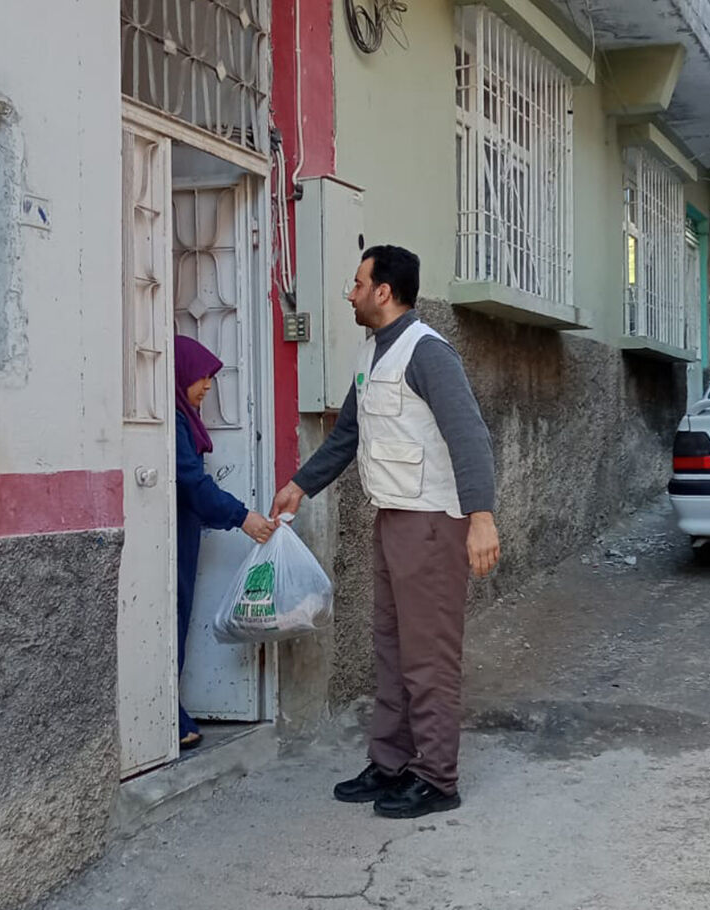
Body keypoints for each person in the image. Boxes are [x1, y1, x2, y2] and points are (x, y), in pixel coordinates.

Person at [270, 244, 500, 818]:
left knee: (429, 656)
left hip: (433, 523)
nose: (349, 294)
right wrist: (301, 485)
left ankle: (437, 777)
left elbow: (469, 435)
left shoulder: (428, 352)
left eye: (357, 284)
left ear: (384, 291)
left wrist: (481, 517)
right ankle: (391, 762)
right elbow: (348, 434)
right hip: (393, 518)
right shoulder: (374, 351)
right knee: (393, 649)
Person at [174, 336, 278, 749]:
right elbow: (191, 483)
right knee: (170, 615)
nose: (207, 386)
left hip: (183, 532)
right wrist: (242, 517)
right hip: (172, 536)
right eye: (202, 377)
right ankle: (169, 716)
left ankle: (172, 713)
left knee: (179, 614)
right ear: (180, 374)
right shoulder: (173, 423)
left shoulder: (183, 418)